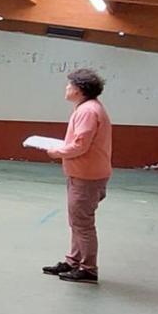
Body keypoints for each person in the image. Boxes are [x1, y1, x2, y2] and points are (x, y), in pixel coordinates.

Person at [43, 69, 112, 284]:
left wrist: (57, 152)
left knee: (82, 223)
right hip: (82, 173)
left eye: (69, 85)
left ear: (79, 89)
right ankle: (74, 260)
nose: (66, 88)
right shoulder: (87, 108)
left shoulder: (88, 111)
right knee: (77, 222)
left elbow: (80, 145)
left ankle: (88, 268)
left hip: (87, 176)